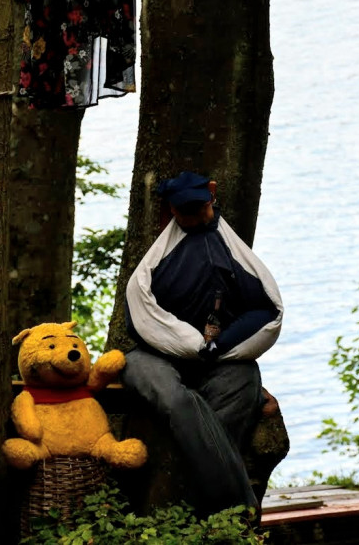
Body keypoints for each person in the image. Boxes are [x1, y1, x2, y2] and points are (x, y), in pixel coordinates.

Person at [122, 171, 283, 515]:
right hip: (154, 356)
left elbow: (268, 311)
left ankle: (194, 510)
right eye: (186, 212)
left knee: (243, 384)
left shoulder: (232, 251)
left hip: (221, 360)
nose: (196, 217)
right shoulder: (158, 260)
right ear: (173, 211)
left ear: (212, 199)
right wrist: (192, 343)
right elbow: (141, 311)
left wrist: (221, 345)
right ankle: (238, 504)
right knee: (176, 399)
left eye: (201, 209)